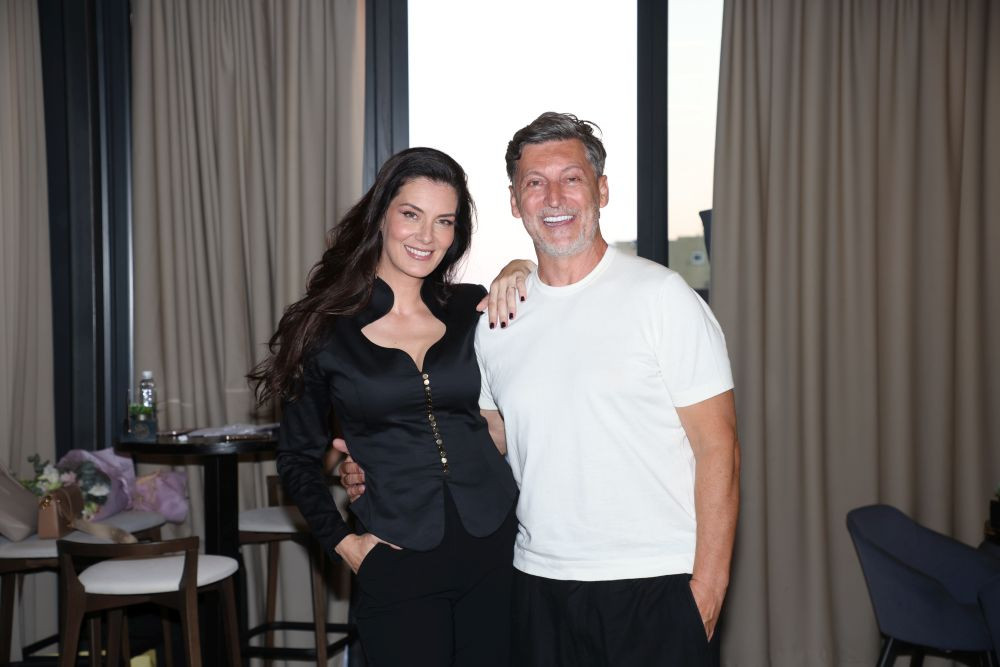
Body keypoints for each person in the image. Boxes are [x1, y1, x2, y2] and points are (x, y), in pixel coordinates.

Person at [342, 112, 740, 666]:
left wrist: (709, 590)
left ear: (601, 189)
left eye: (571, 178)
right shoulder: (497, 320)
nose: (554, 197)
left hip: (653, 583)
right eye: (535, 182)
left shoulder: (662, 298)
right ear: (515, 201)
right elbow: (487, 438)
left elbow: (719, 449)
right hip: (535, 581)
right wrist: (385, 464)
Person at [248, 147, 531, 666]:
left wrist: (521, 266)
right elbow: (296, 458)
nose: (427, 236)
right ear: (381, 215)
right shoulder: (324, 329)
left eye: (444, 221)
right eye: (411, 214)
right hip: (398, 560)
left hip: (495, 546)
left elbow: (539, 357)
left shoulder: (471, 310)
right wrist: (344, 544)